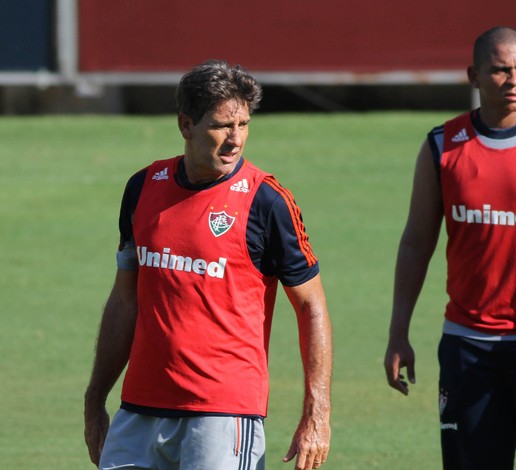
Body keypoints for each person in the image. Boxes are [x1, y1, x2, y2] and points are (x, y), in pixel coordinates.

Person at [84, 60, 332, 470]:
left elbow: (312, 306)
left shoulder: (266, 202)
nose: (235, 139)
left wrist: (317, 414)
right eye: (222, 126)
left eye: (244, 125)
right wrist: (95, 399)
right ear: (186, 125)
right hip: (139, 410)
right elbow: (124, 301)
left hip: (222, 415)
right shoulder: (143, 187)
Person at [384, 26, 516, 470]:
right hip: (469, 346)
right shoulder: (443, 147)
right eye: (501, 70)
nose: (514, 80)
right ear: (474, 76)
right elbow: (415, 243)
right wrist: (398, 333)